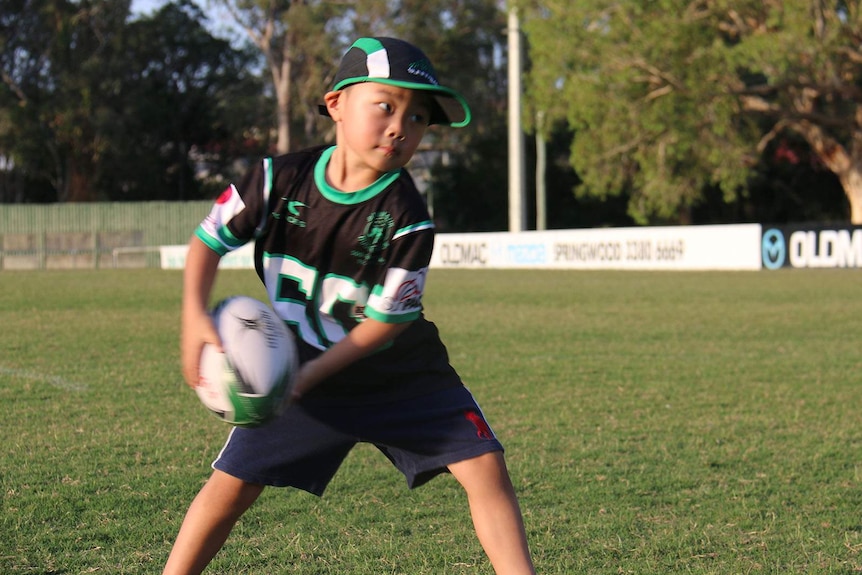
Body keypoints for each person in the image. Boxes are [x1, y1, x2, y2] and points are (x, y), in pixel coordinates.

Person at [163, 37, 536, 575]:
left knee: (484, 467)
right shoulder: (275, 180)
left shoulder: (408, 217)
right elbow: (208, 241)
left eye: (418, 117)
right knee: (232, 486)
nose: (400, 126)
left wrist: (310, 374)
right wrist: (194, 317)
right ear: (336, 103)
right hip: (296, 365)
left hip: (401, 374)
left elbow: (382, 327)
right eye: (385, 105)